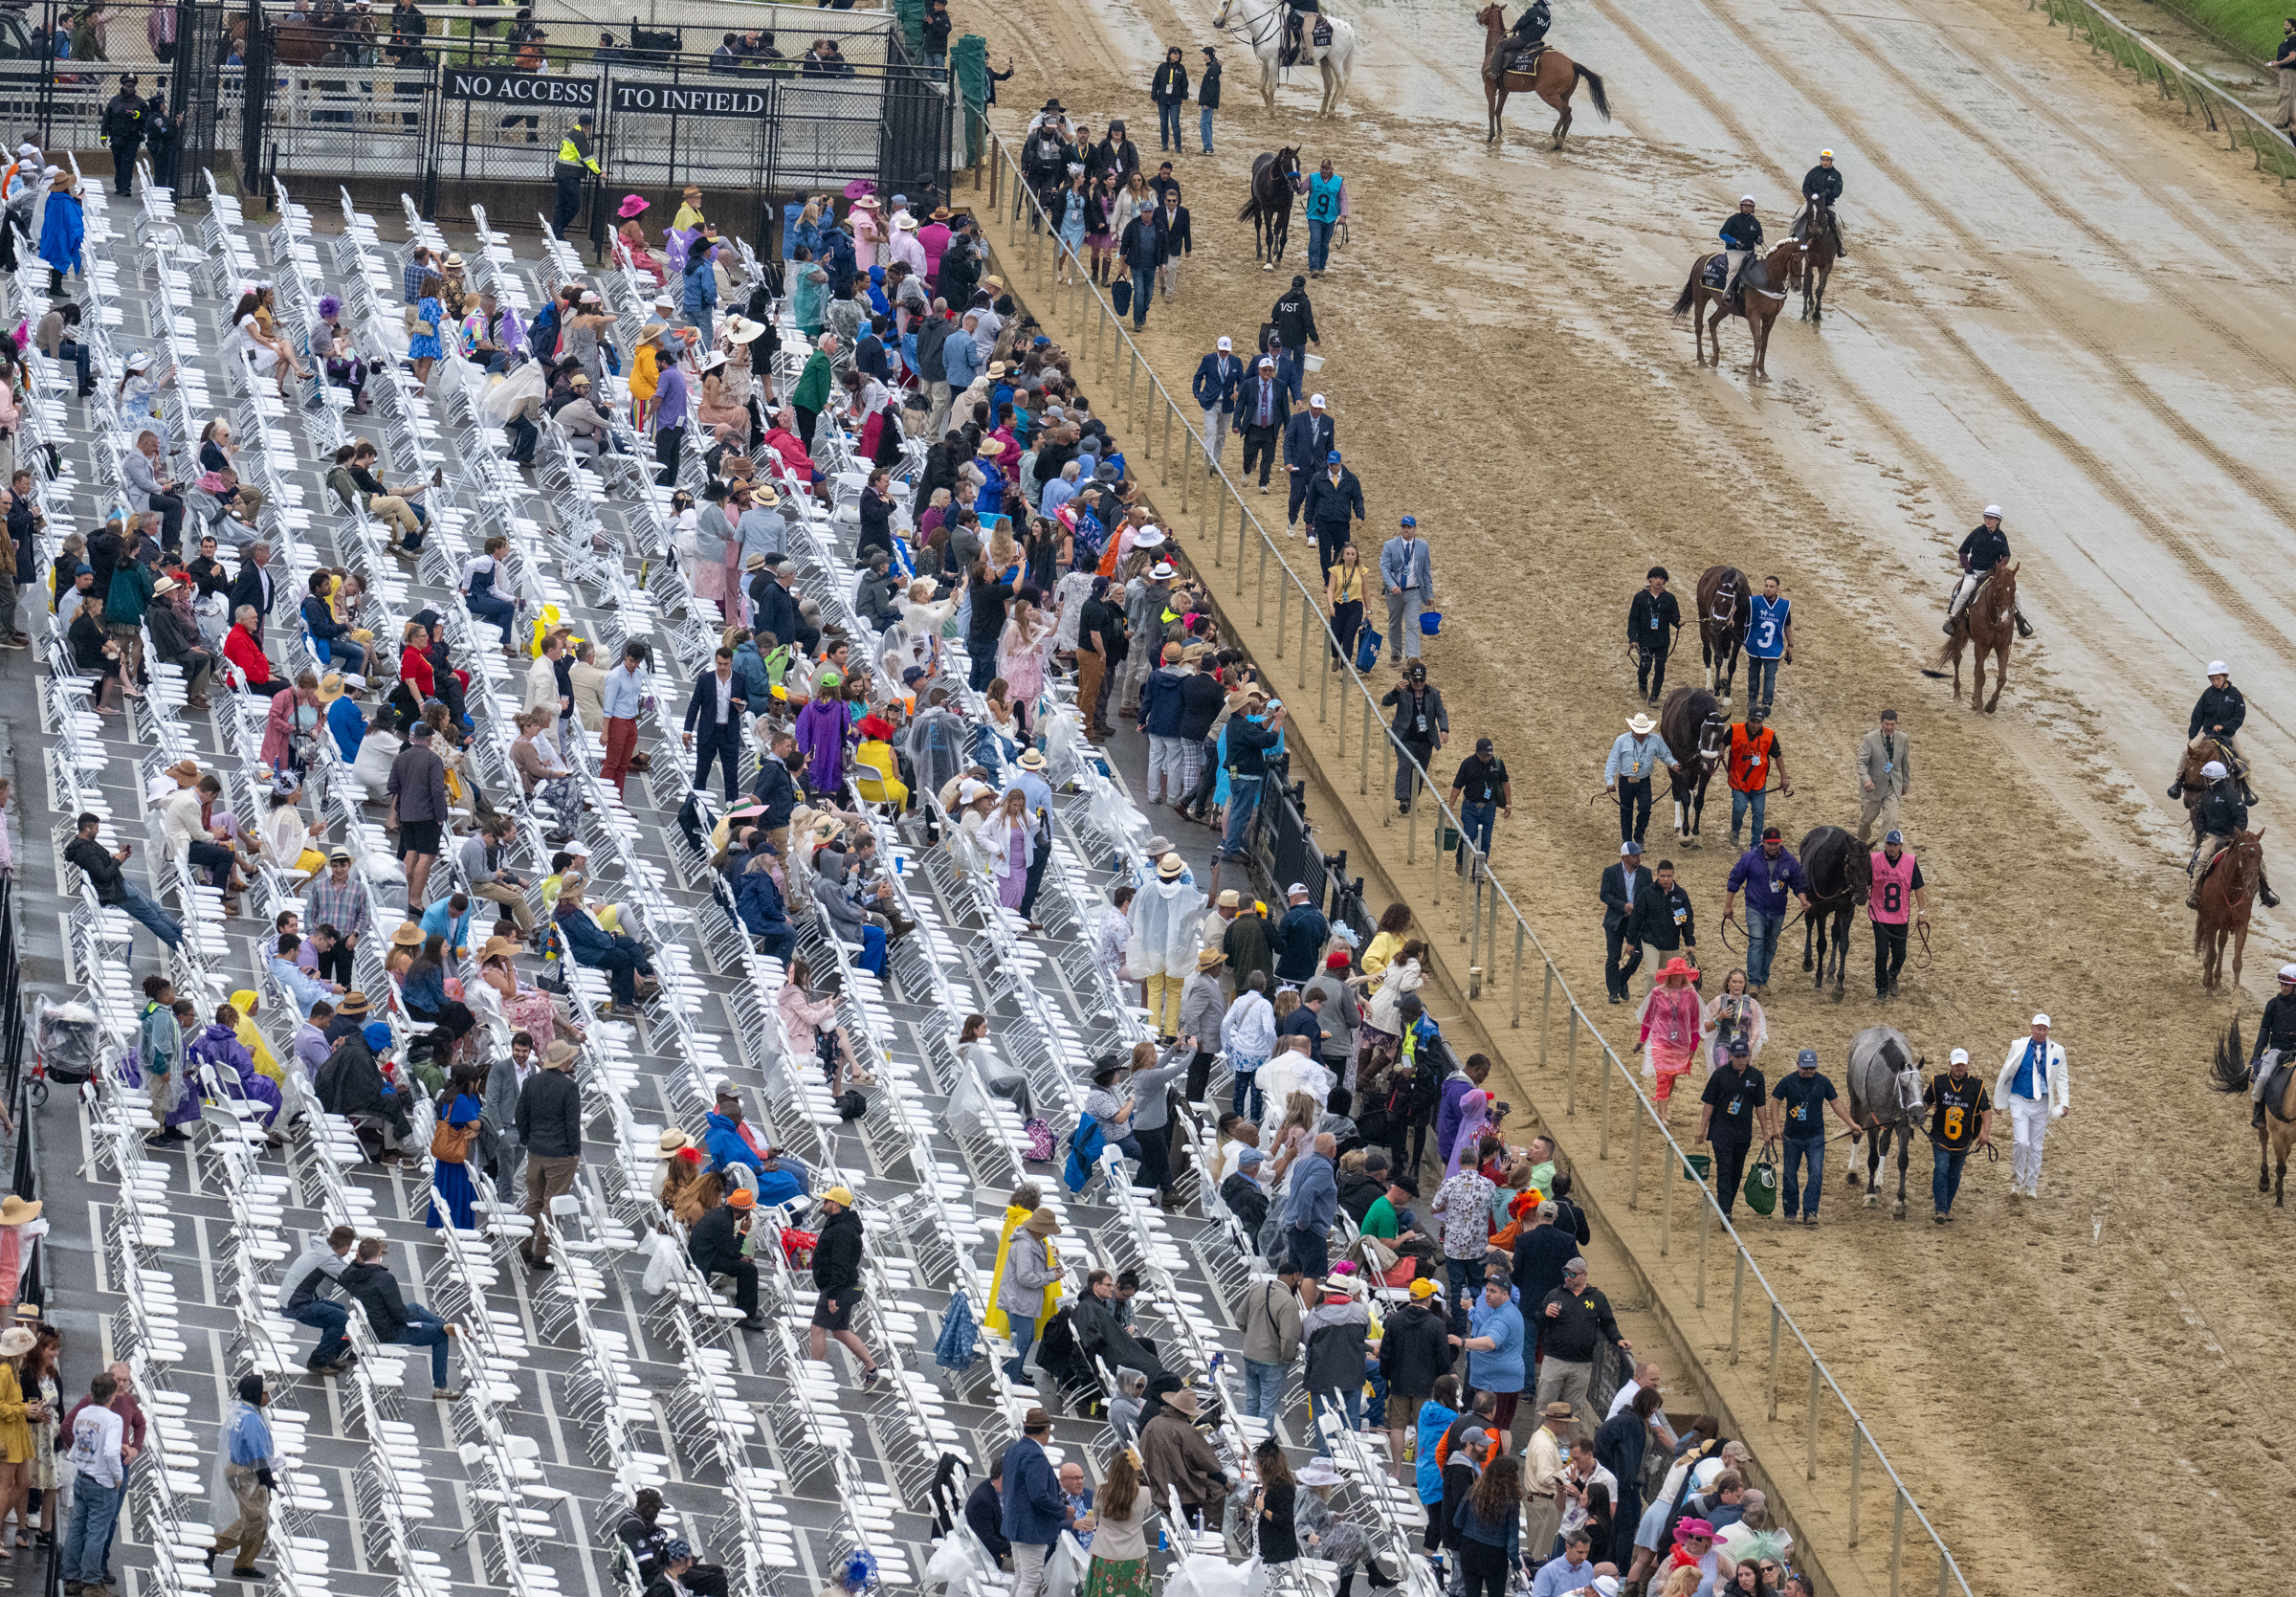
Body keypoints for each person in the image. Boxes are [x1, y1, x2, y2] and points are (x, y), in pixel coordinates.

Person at [337, 1236, 461, 1397]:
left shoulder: (350, 1274)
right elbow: (400, 1314)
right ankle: (441, 1387)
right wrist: (412, 1317)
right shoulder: (385, 1279)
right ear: (379, 1253)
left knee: (416, 1307)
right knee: (440, 1336)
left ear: (358, 1255)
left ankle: (442, 1323)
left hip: (371, 1327)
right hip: (390, 1332)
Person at [1534, 1258, 1626, 1434]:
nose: (1568, 1278)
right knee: (1544, 1403)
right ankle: (1538, 1439)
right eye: (1566, 1274)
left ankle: (1567, 1447)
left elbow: (1608, 1323)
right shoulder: (1555, 1294)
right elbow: (1538, 1319)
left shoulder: (1597, 1298)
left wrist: (1618, 1339)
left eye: (1572, 1274)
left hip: (1582, 1364)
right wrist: (1545, 1313)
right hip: (1554, 1359)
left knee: (1574, 1408)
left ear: (1584, 1275)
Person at [64, 811, 183, 947]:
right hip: (118, 891)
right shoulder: (87, 851)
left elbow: (100, 867)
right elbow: (104, 876)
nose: (98, 831)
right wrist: (117, 861)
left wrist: (120, 857)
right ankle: (180, 946)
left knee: (155, 911)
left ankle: (182, 937)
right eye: (96, 828)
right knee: (152, 918)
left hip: (120, 885)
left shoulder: (83, 845)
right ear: (87, 829)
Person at [807, 1187, 883, 1388]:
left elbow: (840, 1265)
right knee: (840, 1330)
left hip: (836, 1287)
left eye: (826, 1201)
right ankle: (872, 1368)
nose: (823, 1204)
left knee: (817, 1329)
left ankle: (814, 1376)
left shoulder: (841, 1230)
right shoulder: (841, 1224)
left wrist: (832, 1296)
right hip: (842, 1285)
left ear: (836, 1204)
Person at [1718, 828, 1807, 997]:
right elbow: (1734, 880)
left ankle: (1763, 979)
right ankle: (1753, 982)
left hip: (1778, 910)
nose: (1774, 847)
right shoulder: (1749, 858)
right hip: (1755, 908)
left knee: (1771, 944)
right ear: (1763, 843)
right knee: (1757, 942)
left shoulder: (1789, 860)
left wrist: (1803, 900)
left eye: (1776, 843)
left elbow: (1798, 883)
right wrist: (1728, 906)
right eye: (1770, 844)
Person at [1771, 1049, 1857, 1225]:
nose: (1809, 1071)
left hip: (1815, 1137)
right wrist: (1775, 1126)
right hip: (1791, 1137)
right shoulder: (1787, 1081)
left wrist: (1851, 1124)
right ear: (1798, 1065)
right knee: (1789, 1174)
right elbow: (1775, 1101)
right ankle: (1790, 1212)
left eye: (1812, 1068)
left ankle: (1810, 1212)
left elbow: (1836, 1103)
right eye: (1805, 1068)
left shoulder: (1824, 1082)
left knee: (1816, 1174)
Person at [59, 1370, 126, 1594]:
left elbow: (77, 1443)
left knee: (77, 1528)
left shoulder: (83, 1413)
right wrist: (118, 1477)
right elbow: (110, 1453)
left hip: (83, 1477)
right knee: (97, 1532)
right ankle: (91, 1582)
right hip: (102, 1482)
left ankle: (71, 1577)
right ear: (112, 1394)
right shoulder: (113, 1420)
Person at [207, 1373, 275, 1578]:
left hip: (238, 1469)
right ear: (256, 1394)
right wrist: (266, 1475)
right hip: (247, 1473)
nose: (269, 1396)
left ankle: (245, 1562)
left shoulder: (242, 1411)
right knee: (255, 1519)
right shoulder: (252, 1419)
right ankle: (214, 1548)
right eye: (265, 1392)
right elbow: (257, 1450)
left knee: (258, 1516)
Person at [1995, 1013, 2067, 1200]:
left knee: (2036, 1146)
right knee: (2021, 1142)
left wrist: (2064, 1103)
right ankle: (2017, 1180)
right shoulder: (2018, 1045)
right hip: (2019, 1099)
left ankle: (2031, 1184)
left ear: (2048, 1030)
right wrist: (1999, 1101)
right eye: (2038, 1028)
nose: (2041, 1032)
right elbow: (2006, 1072)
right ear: (2032, 1027)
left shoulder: (2057, 1051)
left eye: (2044, 1029)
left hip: (2042, 1103)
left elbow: (2061, 1078)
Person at [2185, 760, 2277, 908]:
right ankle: (2196, 893)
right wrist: (2202, 833)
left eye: (2206, 778)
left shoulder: (2231, 795)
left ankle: (2265, 893)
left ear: (2212, 779)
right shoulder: (2204, 794)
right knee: (2201, 858)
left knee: (2258, 860)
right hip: (2213, 836)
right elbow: (2199, 815)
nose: (2204, 780)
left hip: (2233, 836)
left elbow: (2242, 816)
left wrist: (2236, 834)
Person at [1697, 1036, 1765, 1219]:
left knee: (1737, 1171)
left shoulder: (1756, 1077)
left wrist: (1766, 1131)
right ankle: (1725, 1210)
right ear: (1730, 1056)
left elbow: (1760, 1106)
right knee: (1724, 1169)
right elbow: (1709, 1103)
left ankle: (1728, 1205)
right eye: (1738, 1056)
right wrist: (1702, 1129)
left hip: (1743, 1132)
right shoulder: (1719, 1075)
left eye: (1745, 1055)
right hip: (1721, 1130)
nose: (1741, 1059)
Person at [1002, 1408, 1068, 1597]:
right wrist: (1063, 1511)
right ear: (1045, 1430)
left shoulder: (1014, 1449)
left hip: (1015, 1524)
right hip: (1031, 1529)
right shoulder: (1036, 1456)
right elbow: (1038, 1496)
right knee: (1030, 1581)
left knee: (1021, 1576)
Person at [1923, 1047, 1993, 1223]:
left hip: (1964, 1139)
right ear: (1950, 1064)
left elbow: (1986, 1110)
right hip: (1940, 1137)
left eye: (1962, 1065)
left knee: (1954, 1175)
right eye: (1956, 1065)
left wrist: (1985, 1133)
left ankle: (1946, 1206)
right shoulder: (1937, 1082)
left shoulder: (1977, 1086)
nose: (1959, 1068)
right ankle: (1941, 1209)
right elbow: (1925, 1102)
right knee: (1940, 1170)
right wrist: (1916, 1113)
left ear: (1967, 1065)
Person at [276, 1223, 357, 1373]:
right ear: (346, 1248)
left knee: (338, 1310)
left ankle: (328, 1354)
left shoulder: (322, 1247)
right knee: (340, 1318)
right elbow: (349, 1279)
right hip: (295, 1305)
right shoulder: (326, 1257)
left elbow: (343, 1269)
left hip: (293, 1298)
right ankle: (318, 1361)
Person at [1943, 504, 2032, 638]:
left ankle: (2021, 621)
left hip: (1993, 574)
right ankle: (1952, 620)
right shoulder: (1977, 533)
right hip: (1975, 573)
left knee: (2016, 594)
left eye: (1991, 518)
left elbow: (2006, 554)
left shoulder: (2001, 536)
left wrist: (2001, 566)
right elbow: (1963, 550)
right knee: (1964, 592)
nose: (1988, 520)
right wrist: (1967, 567)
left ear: (1998, 521)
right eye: (1986, 517)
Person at [1454, 1271, 1526, 1431]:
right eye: (1486, 1290)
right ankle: (1503, 1456)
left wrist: (1464, 1341)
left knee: (1490, 1429)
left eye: (1493, 1291)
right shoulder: (1504, 1311)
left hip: (1496, 1384)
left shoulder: (1503, 1317)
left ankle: (1494, 1457)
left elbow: (1491, 1342)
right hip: (1502, 1381)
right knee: (1502, 1428)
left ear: (1506, 1294)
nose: (1487, 1295)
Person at [2174, 661, 2254, 803]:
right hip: (2207, 733)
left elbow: (2239, 717)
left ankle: (2247, 791)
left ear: (2224, 677)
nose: (2215, 682)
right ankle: (2178, 783)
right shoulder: (2207, 694)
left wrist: (2224, 726)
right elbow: (2197, 716)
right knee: (2187, 752)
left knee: (2245, 758)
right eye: (2212, 679)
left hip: (2228, 734)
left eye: (2218, 678)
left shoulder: (2235, 695)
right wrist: (2192, 736)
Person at [1081, 1447, 1151, 1597]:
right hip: (1135, 1555)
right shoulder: (1145, 1493)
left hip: (1104, 1554)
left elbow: (1097, 1518)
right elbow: (1146, 1513)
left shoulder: (1100, 1492)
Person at [1866, 830, 1927, 1002]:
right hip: (1879, 914)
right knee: (1882, 953)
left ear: (1901, 845)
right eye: (1889, 844)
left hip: (1900, 916)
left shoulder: (1910, 862)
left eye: (1895, 845)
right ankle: (1881, 988)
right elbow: (1864, 879)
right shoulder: (1874, 860)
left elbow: (1918, 886)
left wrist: (1921, 912)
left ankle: (1892, 974)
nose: (1891, 848)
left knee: (1900, 954)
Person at [1451, 1453, 1521, 1597]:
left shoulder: (1474, 1491)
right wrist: (1517, 1565)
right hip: (1494, 1555)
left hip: (1469, 1549)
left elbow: (1457, 1520)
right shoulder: (1512, 1500)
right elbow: (1512, 1539)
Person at [1605, 713, 1678, 849]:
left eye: (1643, 732)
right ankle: (1626, 842)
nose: (1641, 735)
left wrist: (1673, 765)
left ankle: (1639, 835)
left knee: (1645, 808)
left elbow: (1665, 755)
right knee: (1626, 811)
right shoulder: (1621, 740)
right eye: (1638, 732)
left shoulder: (1655, 740)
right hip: (1625, 780)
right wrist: (1610, 781)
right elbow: (1612, 762)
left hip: (1644, 780)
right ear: (1632, 729)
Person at [1723, 705, 1791, 850]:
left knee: (1759, 813)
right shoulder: (1735, 730)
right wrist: (1721, 750)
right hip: (1738, 780)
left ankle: (1755, 844)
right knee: (1739, 808)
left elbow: (1777, 756)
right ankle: (1735, 830)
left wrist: (1783, 777)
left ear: (1762, 722)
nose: (1755, 724)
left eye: (1758, 722)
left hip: (1758, 781)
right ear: (1748, 719)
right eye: (1753, 721)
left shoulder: (1769, 735)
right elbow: (1723, 742)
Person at [1382, 659, 1446, 813]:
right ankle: (1403, 799)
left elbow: (1441, 713)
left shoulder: (1434, 694)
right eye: (1415, 680)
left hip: (1425, 741)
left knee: (1419, 772)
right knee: (1404, 767)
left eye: (1421, 680)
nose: (1418, 683)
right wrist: (1395, 691)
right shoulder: (1402, 690)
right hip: (1404, 738)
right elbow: (1385, 702)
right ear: (1410, 678)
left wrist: (1444, 729)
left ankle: (1411, 799)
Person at [1447, 738, 1511, 875]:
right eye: (1483, 755)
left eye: (1489, 755)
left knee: (1486, 841)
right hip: (1470, 806)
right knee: (1469, 835)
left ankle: (1479, 871)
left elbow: (1505, 782)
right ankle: (1460, 860)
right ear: (1477, 753)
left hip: (1489, 807)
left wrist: (1508, 804)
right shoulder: (1467, 764)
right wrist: (1450, 806)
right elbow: (1457, 785)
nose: (1487, 758)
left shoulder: (1498, 763)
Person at [1598, 841, 1648, 1004]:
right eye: (1634, 855)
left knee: (1637, 955)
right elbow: (1604, 895)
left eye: (1638, 854)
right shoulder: (1611, 872)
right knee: (1613, 957)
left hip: (1636, 921)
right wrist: (1623, 906)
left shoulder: (1646, 873)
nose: (1638, 858)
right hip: (1616, 920)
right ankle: (1613, 992)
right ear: (1625, 857)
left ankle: (1622, 978)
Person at [1378, 515, 1432, 661]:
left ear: (1415, 529)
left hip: (1414, 592)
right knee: (1395, 623)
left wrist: (1429, 593)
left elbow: (1426, 571)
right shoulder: (1390, 545)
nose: (1406, 530)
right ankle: (1395, 653)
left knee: (1412, 624)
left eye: (1409, 527)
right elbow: (1384, 567)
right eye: (1404, 527)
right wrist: (1392, 585)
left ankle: (1412, 656)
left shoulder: (1423, 546)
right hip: (1394, 593)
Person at [1855, 708, 1911, 844]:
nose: (1889, 728)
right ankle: (1861, 841)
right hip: (1873, 787)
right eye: (1886, 724)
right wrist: (1866, 780)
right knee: (1866, 820)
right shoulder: (1870, 739)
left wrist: (1905, 783)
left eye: (1892, 724)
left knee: (1891, 820)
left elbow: (1905, 763)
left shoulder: (1903, 739)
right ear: (1881, 723)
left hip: (1893, 786)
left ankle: (1882, 848)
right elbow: (1861, 762)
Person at [1628, 566, 1681, 706]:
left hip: (1662, 641)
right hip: (1645, 639)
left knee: (1660, 669)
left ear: (1664, 581)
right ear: (1650, 579)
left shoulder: (1669, 598)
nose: (1658, 581)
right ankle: (1642, 683)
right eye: (1656, 577)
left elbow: (1674, 617)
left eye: (1661, 578)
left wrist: (1678, 622)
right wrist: (1633, 639)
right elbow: (1633, 619)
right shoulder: (1640, 598)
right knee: (1645, 666)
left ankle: (1654, 697)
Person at [1191, 334, 1242, 468]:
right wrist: (1197, 393)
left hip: (1227, 403)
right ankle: (1208, 462)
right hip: (1211, 402)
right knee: (1210, 432)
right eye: (1221, 350)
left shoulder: (1236, 362)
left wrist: (1238, 391)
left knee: (1221, 434)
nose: (1224, 353)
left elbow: (1241, 381)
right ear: (1217, 349)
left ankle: (1216, 461)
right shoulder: (1208, 359)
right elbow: (1198, 376)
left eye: (1226, 351)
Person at [1743, 574, 1790, 712]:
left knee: (1769, 676)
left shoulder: (1784, 605)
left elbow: (1787, 625)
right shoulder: (1754, 602)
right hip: (1755, 646)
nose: (1768, 589)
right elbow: (1739, 608)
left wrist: (1790, 645)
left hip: (1773, 647)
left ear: (1777, 589)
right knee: (1753, 673)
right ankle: (1752, 699)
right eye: (1766, 586)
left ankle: (1766, 704)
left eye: (1771, 587)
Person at [552, 111, 600, 237]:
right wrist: (599, 173)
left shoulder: (573, 134)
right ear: (588, 126)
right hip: (569, 175)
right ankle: (557, 231)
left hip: (562, 172)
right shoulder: (578, 136)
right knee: (574, 205)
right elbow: (586, 158)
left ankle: (557, 233)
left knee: (562, 204)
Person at [1717, 196, 1762, 305]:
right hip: (1734, 252)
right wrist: (1734, 241)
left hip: (1750, 252)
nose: (1747, 208)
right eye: (1745, 206)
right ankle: (1727, 293)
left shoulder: (1755, 222)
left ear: (1753, 208)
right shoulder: (1733, 219)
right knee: (1735, 268)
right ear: (1741, 207)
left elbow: (1758, 237)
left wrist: (1759, 240)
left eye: (1749, 206)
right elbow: (1722, 233)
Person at [1151, 45, 1190, 152]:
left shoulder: (1181, 68)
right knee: (1163, 122)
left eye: (1178, 54)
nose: (1177, 56)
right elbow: (1156, 82)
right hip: (1162, 98)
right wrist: (1154, 95)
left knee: (1175, 123)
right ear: (1169, 55)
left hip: (1175, 99)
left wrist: (1184, 96)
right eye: (1175, 53)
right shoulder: (1162, 67)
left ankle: (1178, 146)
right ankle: (1164, 145)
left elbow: (1184, 83)